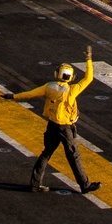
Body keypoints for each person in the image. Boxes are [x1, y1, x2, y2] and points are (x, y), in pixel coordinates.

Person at [9, 49, 101, 195]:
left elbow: (30, 94)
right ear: (70, 77)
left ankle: (35, 183)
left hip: (52, 124)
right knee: (74, 155)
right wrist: (89, 59)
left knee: (46, 153)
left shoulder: (49, 86)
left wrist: (14, 96)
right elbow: (88, 78)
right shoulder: (72, 90)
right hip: (65, 127)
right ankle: (85, 185)